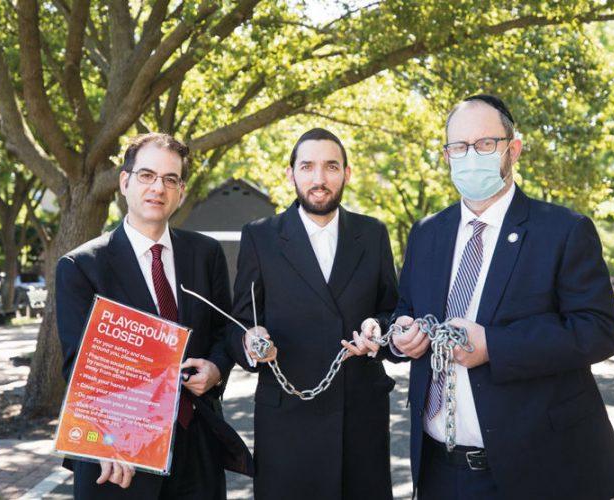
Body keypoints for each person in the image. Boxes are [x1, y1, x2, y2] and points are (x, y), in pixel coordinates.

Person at [389, 95, 614, 499]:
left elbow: (599, 331)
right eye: (458, 147)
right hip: (437, 469)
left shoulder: (563, 230)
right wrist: (404, 335)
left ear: (512, 149)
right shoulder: (426, 233)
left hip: (535, 470)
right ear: (446, 155)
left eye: (485, 144)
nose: (471, 156)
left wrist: (494, 346)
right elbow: (406, 311)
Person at [55, 133, 251, 499]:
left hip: (198, 446)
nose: (158, 188)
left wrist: (217, 369)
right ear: (125, 182)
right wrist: (107, 439)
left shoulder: (205, 255)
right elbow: (76, 367)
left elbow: (225, 331)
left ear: (180, 190)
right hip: (120, 456)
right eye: (147, 176)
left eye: (170, 179)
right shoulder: (81, 267)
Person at [227, 128, 399, 499]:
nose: (319, 179)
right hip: (287, 421)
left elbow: (392, 311)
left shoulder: (372, 234)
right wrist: (251, 341)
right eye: (307, 166)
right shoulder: (260, 237)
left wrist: (378, 331)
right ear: (290, 174)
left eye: (330, 167)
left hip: (361, 419)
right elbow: (240, 322)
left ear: (346, 173)